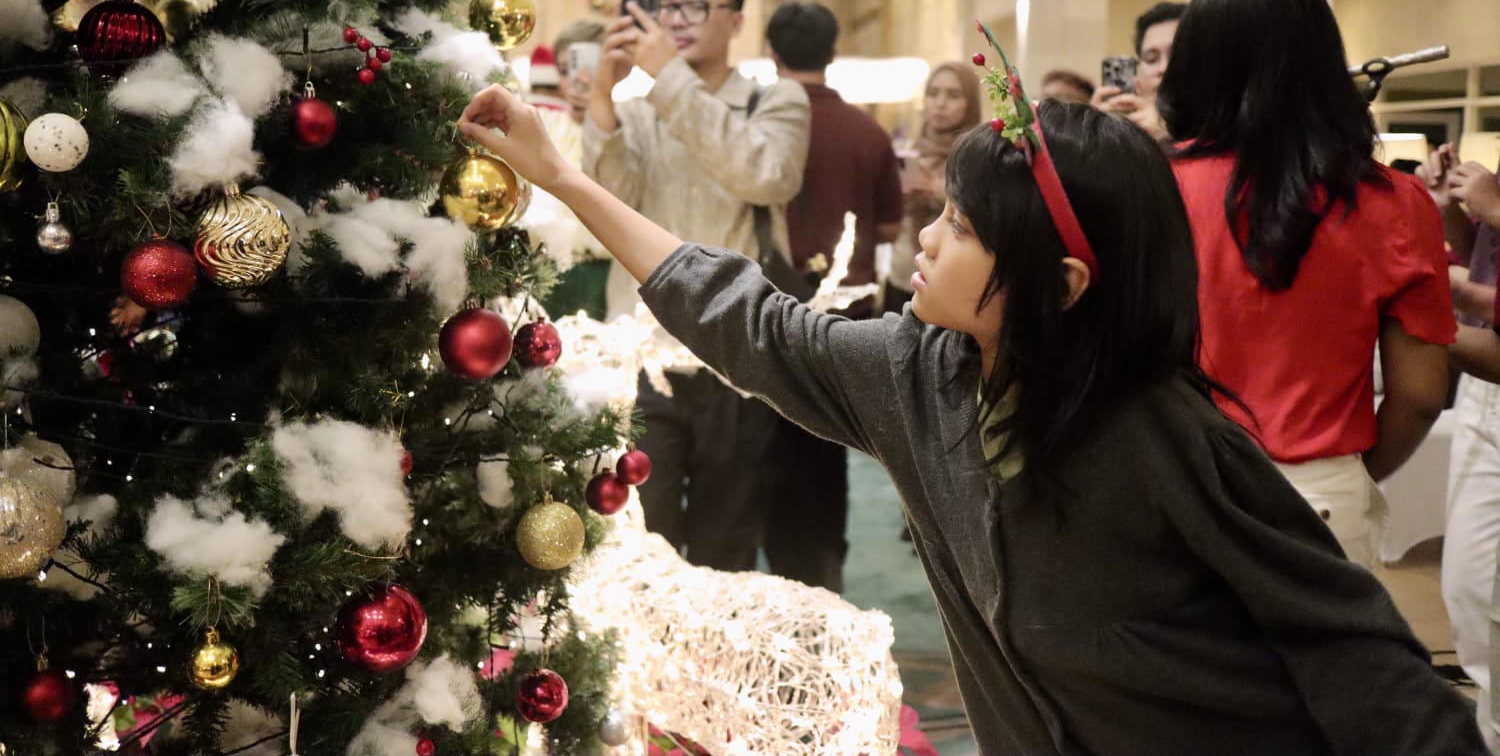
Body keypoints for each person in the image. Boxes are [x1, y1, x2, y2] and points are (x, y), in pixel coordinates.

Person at [458, 66, 1484, 756]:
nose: (931, 244)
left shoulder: (1166, 433)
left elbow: (1350, 643)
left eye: (961, 226)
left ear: (1062, 281)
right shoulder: (920, 372)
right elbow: (748, 321)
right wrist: (560, 176)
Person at [1159, 0, 1454, 567]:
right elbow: (1420, 395)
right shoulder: (1396, 202)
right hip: (1321, 499)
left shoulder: (1152, 185)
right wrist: (1346, 476)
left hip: (1173, 483)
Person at [581, 0, 810, 571]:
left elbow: (764, 174)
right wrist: (604, 92)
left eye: (696, 6)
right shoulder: (637, 105)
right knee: (637, 537)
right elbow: (609, 209)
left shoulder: (777, 100)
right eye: (667, 6)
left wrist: (665, 77)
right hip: (644, 353)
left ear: (735, 20)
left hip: (735, 355)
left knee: (726, 540)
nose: (677, 20)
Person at [761, 0, 903, 592]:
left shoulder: (761, 126)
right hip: (848, 311)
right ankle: (824, 573)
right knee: (827, 451)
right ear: (834, 53)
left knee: (767, 446)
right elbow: (892, 228)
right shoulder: (867, 131)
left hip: (769, 303)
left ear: (771, 56)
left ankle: (771, 570)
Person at [1418, 145, 1500, 748]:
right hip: (1483, 391)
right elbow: (1483, 273)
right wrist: (1452, 211)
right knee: (1470, 590)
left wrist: (1413, 299)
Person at [885, 62, 981, 312]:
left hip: (951, 280)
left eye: (953, 95)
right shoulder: (909, 148)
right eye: (933, 93)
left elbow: (985, 214)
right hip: (903, 272)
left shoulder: (979, 153)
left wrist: (941, 191)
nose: (940, 103)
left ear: (969, 102)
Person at [537, 18, 611, 320]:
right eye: (565, 70)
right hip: (547, 271)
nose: (575, 80)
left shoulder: (629, 131)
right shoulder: (543, 126)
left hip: (608, 273)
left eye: (588, 66)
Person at [1092, 0, 1183, 141]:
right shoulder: (1126, 130)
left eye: (1175, 55)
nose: (1163, 68)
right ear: (1137, 77)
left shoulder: (1216, 133)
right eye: (1151, 59)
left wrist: (1166, 140)